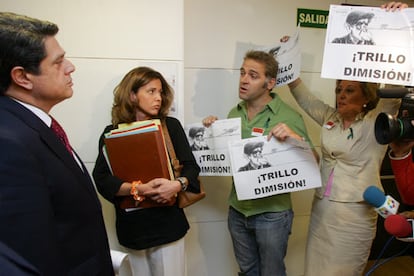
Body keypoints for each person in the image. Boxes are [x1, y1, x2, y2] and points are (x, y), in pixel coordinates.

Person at [0, 12, 114, 275]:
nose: (71, 67)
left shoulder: (32, 125)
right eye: (58, 62)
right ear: (23, 77)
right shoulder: (8, 143)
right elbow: (27, 254)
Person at [203, 50, 316, 276]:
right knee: (247, 271)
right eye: (242, 73)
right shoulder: (233, 113)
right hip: (237, 209)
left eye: (253, 75)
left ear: (270, 83)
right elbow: (225, 158)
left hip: (272, 214)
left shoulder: (289, 116)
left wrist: (294, 138)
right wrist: (211, 131)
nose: (244, 80)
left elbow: (314, 163)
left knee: (272, 272)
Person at [92, 66, 201, 276]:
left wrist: (176, 185)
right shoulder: (111, 133)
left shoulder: (171, 126)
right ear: (132, 95)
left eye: (160, 92)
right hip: (133, 230)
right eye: (151, 91)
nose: (158, 98)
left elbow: (191, 167)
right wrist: (139, 189)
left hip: (168, 226)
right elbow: (102, 179)